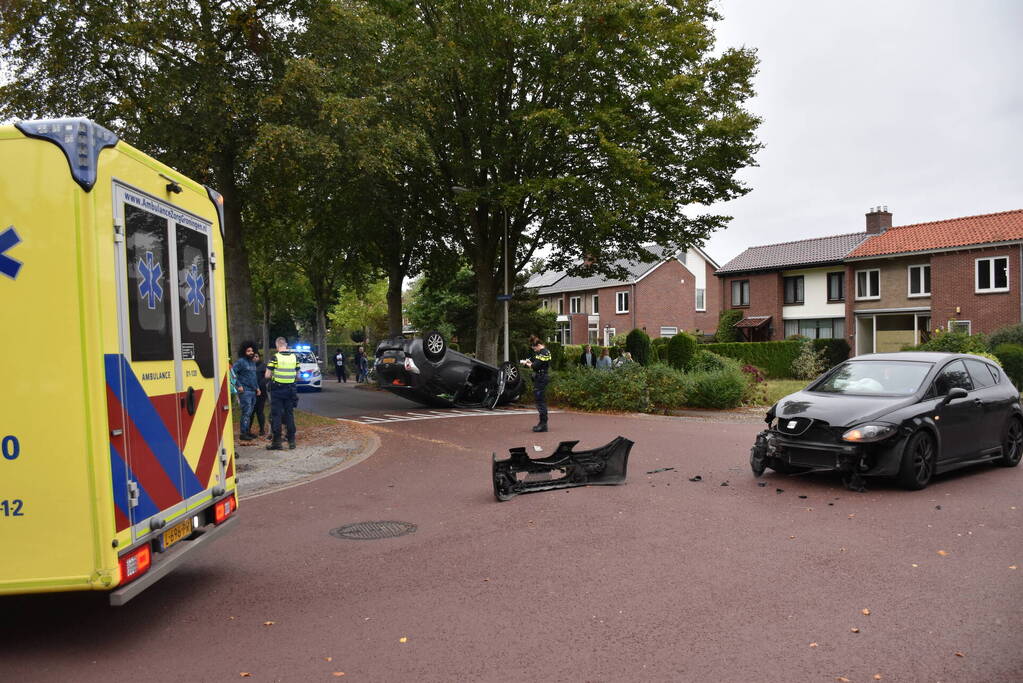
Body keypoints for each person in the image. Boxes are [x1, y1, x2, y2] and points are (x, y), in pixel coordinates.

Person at [265, 336, 298, 450]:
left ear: (277, 345)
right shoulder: (294, 358)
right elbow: (297, 375)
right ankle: (292, 441)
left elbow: (267, 375)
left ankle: (277, 442)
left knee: (276, 415)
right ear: (286, 345)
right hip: (290, 390)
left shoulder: (275, 358)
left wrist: (275, 375)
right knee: (289, 415)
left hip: (277, 390)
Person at [520, 335, 552, 432]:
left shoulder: (543, 353)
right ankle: (542, 423)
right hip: (541, 377)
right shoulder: (544, 352)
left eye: (534, 348)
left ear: (538, 345)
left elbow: (535, 366)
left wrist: (526, 363)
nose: (534, 350)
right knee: (540, 400)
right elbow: (538, 363)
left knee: (540, 400)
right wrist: (531, 362)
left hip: (541, 378)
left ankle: (543, 424)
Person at [232, 342, 260, 441]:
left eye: (252, 350)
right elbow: (232, 372)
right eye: (248, 351)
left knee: (250, 412)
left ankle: (247, 431)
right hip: (245, 392)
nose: (251, 352)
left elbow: (253, 377)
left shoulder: (252, 362)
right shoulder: (240, 362)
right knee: (246, 412)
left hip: (253, 391)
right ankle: (243, 433)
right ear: (244, 352)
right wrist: (238, 385)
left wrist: (257, 388)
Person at [251, 350, 268, 437]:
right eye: (253, 356)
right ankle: (248, 430)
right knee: (251, 411)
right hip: (251, 392)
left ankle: (262, 429)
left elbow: (267, 378)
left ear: (259, 357)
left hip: (261, 392)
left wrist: (260, 385)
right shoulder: (249, 366)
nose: (255, 358)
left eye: (256, 356)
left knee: (260, 411)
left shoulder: (263, 366)